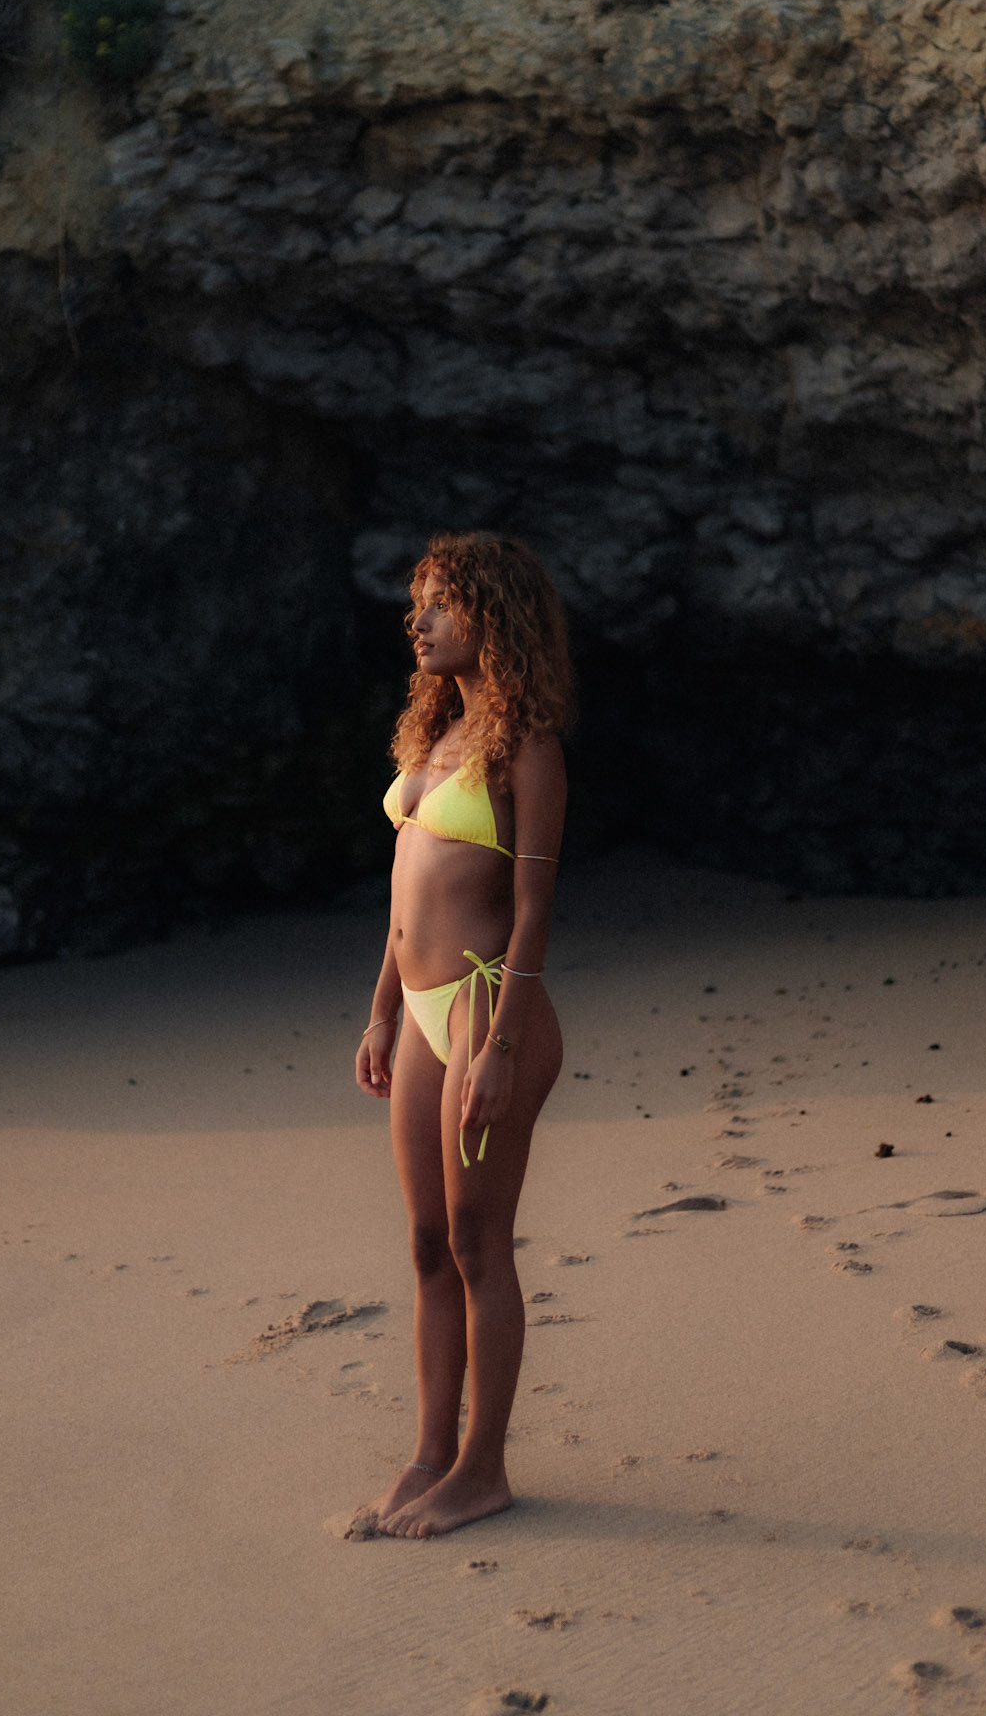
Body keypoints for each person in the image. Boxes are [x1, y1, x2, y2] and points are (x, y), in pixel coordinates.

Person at [354, 533, 572, 1538]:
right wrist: (381, 1009)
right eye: (418, 603)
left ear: (494, 615)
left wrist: (503, 1049)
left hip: (488, 1010)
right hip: (418, 1013)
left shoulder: (528, 747)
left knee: (480, 1242)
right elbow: (405, 894)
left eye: (439, 602)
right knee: (426, 1243)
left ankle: (485, 1468)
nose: (419, 620)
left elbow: (532, 911)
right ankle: (429, 1453)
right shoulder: (433, 732)